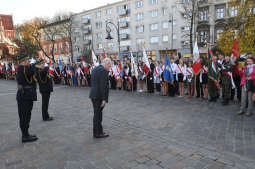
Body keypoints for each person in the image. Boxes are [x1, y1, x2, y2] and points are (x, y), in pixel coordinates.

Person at [16, 55, 38, 143]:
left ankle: (26, 134)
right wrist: (34, 64)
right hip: (24, 96)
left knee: (26, 115)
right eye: (27, 61)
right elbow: (32, 71)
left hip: (26, 96)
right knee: (24, 116)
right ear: (23, 61)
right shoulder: (23, 69)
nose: (29, 62)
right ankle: (25, 136)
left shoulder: (24, 69)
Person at [89, 58, 111, 138]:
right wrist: (104, 99)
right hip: (99, 96)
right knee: (98, 115)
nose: (110, 67)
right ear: (106, 64)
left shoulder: (95, 69)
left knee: (97, 114)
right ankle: (98, 133)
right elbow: (103, 86)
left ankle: (97, 131)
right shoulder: (103, 71)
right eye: (109, 65)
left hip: (93, 94)